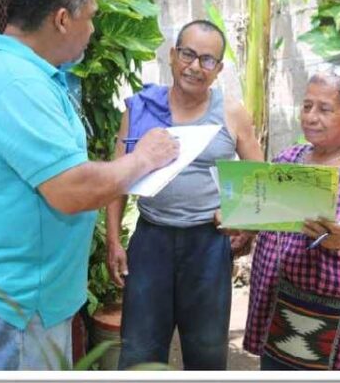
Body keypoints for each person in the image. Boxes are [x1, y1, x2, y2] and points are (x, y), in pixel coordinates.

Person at [0, 0, 180, 371]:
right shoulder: (14, 83)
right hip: (19, 299)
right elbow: (73, 189)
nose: (92, 29)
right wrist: (144, 157)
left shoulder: (29, 76)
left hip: (31, 294)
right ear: (61, 19)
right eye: (89, 16)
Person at [105, 20, 263, 370]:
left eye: (208, 60)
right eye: (188, 54)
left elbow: (258, 177)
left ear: (219, 69)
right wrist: (114, 240)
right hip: (151, 240)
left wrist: (244, 223)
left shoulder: (231, 113)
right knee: (140, 349)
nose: (195, 66)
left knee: (206, 351)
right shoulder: (141, 109)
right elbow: (116, 176)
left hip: (207, 245)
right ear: (173, 55)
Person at [241, 63, 340, 370]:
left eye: (325, 109)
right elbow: (268, 219)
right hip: (285, 312)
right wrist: (242, 225)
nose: (311, 117)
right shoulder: (289, 160)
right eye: (307, 106)